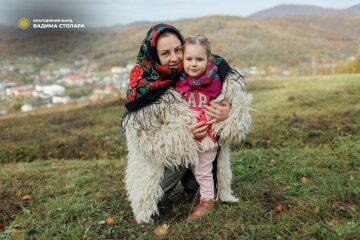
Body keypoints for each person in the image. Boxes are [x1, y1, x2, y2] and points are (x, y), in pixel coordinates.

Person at [122, 23, 252, 224]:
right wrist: (184, 135)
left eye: (178, 50)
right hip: (159, 159)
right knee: (155, 192)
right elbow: (144, 140)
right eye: (165, 53)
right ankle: (151, 200)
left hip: (204, 148)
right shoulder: (145, 84)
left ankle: (201, 189)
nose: (174, 58)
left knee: (200, 173)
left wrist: (228, 113)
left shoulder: (206, 69)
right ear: (154, 55)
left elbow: (241, 109)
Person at [175, 35, 223, 220]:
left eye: (199, 59)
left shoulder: (215, 81)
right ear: (183, 60)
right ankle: (206, 191)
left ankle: (208, 202)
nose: (193, 64)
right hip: (187, 135)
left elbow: (226, 102)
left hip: (206, 136)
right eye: (189, 59)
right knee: (194, 169)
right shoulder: (180, 81)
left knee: (202, 170)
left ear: (208, 60)